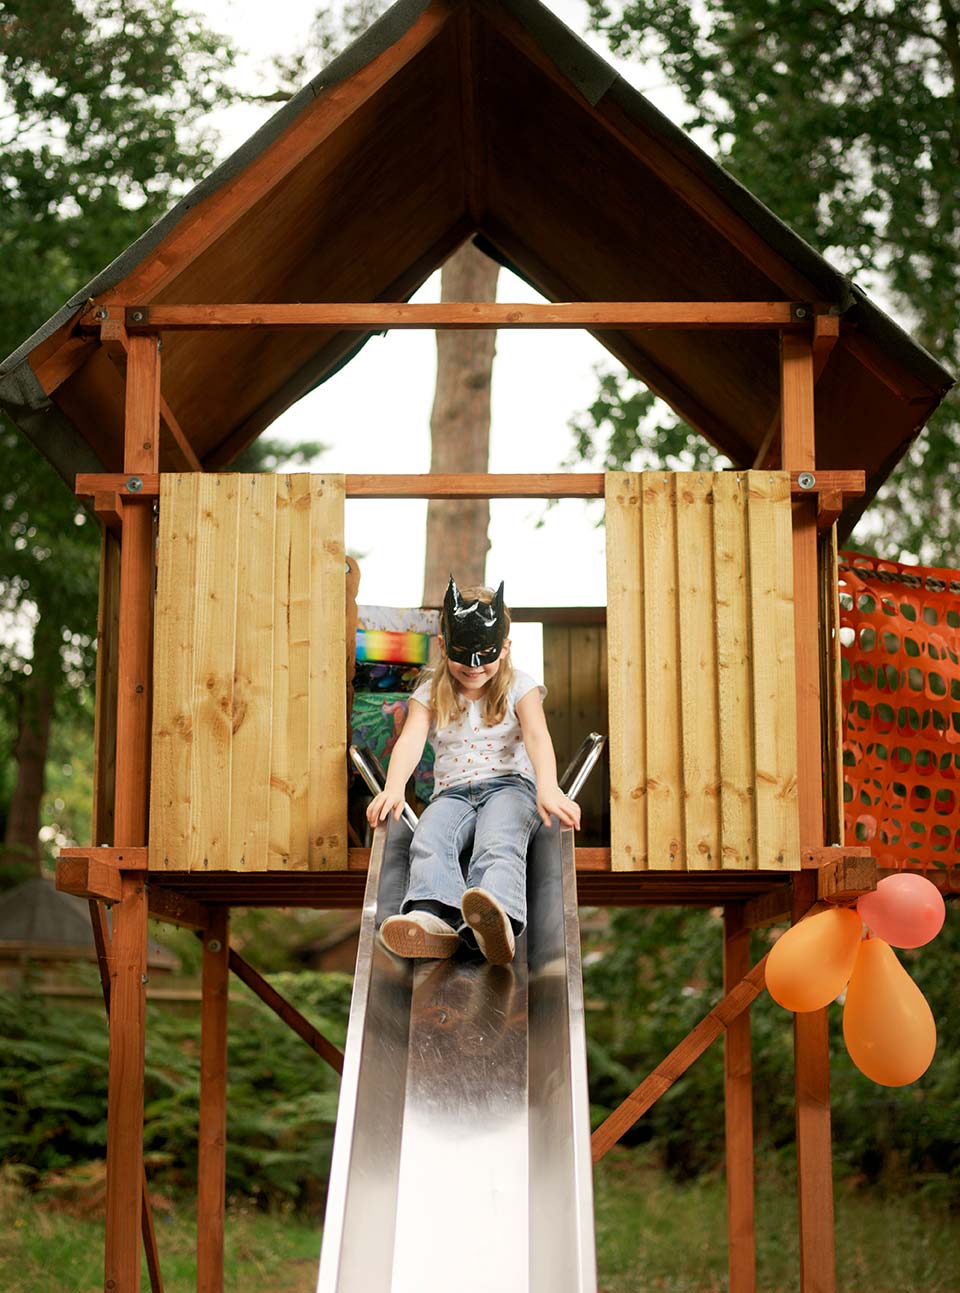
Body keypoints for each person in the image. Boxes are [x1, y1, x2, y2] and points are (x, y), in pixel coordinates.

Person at [367, 578, 581, 965]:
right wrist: (393, 787)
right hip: (452, 793)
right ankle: (432, 917)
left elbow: (536, 736)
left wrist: (548, 789)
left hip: (510, 788)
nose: (473, 668)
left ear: (505, 648)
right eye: (462, 656)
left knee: (497, 839)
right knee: (430, 837)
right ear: (443, 646)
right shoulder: (431, 689)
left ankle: (494, 914)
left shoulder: (521, 686)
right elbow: (412, 740)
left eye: (485, 655)